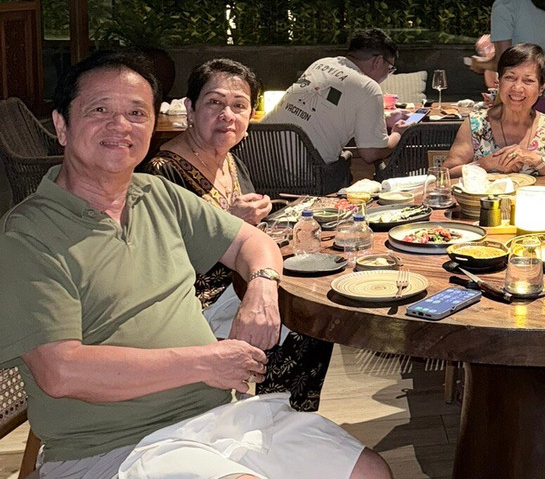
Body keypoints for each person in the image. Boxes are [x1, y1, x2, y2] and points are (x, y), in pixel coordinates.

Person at [0, 50, 391, 479]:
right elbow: (60, 371)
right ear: (61, 125)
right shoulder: (28, 234)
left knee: (369, 472)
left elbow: (252, 241)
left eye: (136, 113)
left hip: (218, 419)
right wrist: (206, 362)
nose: (121, 125)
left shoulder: (156, 195)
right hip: (112, 447)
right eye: (100, 110)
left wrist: (261, 289)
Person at [145, 58, 334, 412]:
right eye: (214, 102)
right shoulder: (162, 172)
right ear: (190, 108)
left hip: (240, 283)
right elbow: (157, 259)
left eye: (239, 105)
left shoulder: (229, 159)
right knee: (303, 321)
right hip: (194, 300)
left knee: (313, 302)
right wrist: (229, 222)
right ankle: (266, 419)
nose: (227, 115)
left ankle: (285, 420)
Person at [264, 28, 408, 166]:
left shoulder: (321, 63)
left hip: (257, 159)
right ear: (378, 61)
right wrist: (397, 134)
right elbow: (371, 153)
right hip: (300, 173)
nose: (387, 75)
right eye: (390, 69)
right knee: (346, 162)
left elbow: (326, 113)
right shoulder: (368, 87)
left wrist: (383, 119)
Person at [445, 44, 545, 178]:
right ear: (499, 81)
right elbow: (446, 173)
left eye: (528, 81)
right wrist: (485, 163)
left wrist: (537, 161)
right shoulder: (476, 124)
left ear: (541, 88)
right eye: (510, 78)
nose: (517, 88)